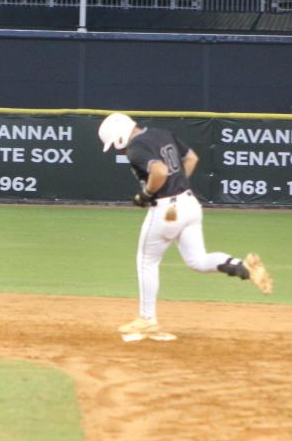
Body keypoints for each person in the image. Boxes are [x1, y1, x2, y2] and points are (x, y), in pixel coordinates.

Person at [98, 112, 272, 340]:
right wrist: (177, 185)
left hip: (165, 210)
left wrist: (148, 193)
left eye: (115, 145)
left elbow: (159, 172)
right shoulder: (162, 134)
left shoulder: (136, 148)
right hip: (189, 203)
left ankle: (147, 319)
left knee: (146, 260)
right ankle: (244, 268)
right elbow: (191, 158)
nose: (118, 150)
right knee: (198, 261)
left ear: (119, 135)